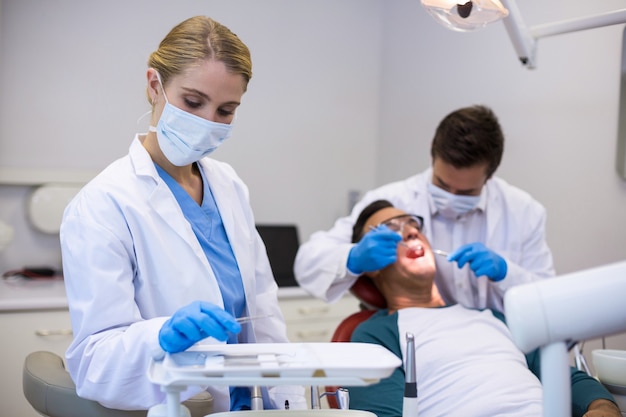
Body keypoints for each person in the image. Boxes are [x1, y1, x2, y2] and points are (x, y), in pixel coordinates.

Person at [59, 16, 305, 413]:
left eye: (226, 110)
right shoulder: (103, 204)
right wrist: (161, 336)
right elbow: (94, 360)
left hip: (256, 401)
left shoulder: (228, 185)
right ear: (155, 85)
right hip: (184, 403)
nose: (207, 122)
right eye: (193, 102)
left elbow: (263, 310)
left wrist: (288, 398)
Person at [345, 200, 620, 417]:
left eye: (412, 223)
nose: (410, 231)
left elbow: (565, 376)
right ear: (370, 264)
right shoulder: (375, 335)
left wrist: (603, 407)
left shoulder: (494, 318)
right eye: (391, 229)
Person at [295, 104, 554, 312]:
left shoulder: (524, 212)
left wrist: (507, 273)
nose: (451, 197)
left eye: (465, 192)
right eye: (442, 184)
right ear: (433, 153)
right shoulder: (392, 201)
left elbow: (550, 302)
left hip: (498, 343)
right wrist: (353, 258)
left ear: (490, 176)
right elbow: (307, 263)